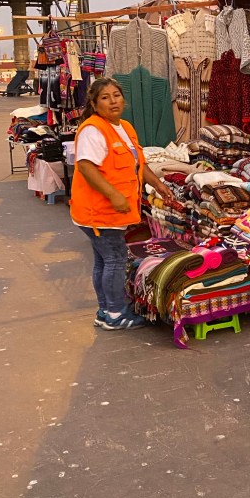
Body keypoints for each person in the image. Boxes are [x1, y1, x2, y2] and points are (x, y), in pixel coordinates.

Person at [70, 77, 174, 330]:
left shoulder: (124, 127)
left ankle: (106, 311)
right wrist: (114, 195)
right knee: (115, 260)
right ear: (94, 104)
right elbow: (86, 166)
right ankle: (116, 314)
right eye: (105, 98)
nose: (113, 101)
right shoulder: (93, 130)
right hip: (99, 212)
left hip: (111, 212)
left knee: (104, 260)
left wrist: (157, 184)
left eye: (116, 95)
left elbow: (138, 163)